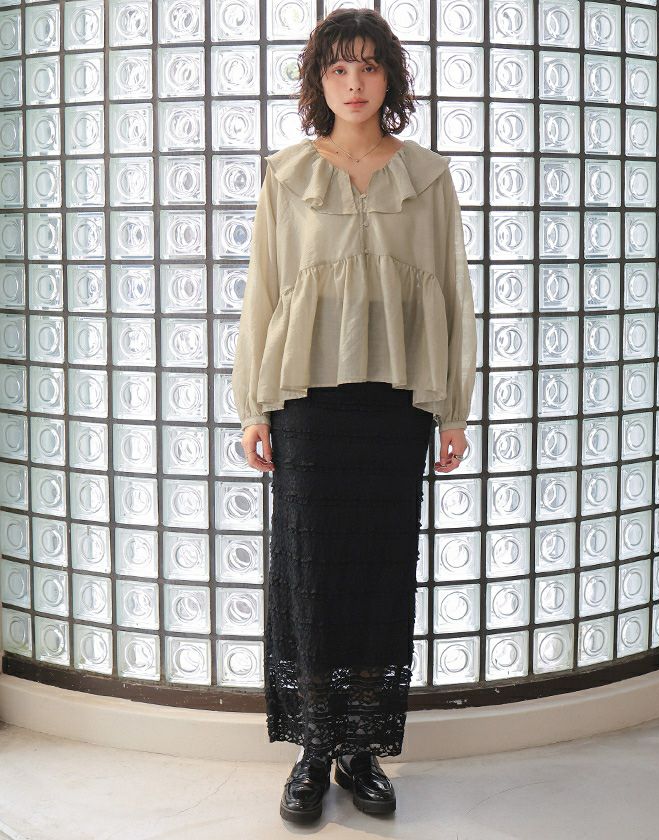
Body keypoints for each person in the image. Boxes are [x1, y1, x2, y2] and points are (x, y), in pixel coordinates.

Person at [231, 7, 477, 825]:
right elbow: (264, 291)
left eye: (369, 66)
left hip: (394, 404)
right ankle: (312, 748)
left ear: (390, 78)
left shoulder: (428, 177)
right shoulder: (287, 174)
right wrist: (253, 406)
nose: (354, 82)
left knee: (379, 570)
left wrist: (452, 411)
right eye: (338, 67)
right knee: (308, 573)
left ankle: (361, 748)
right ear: (319, 81)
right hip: (307, 401)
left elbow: (454, 293)